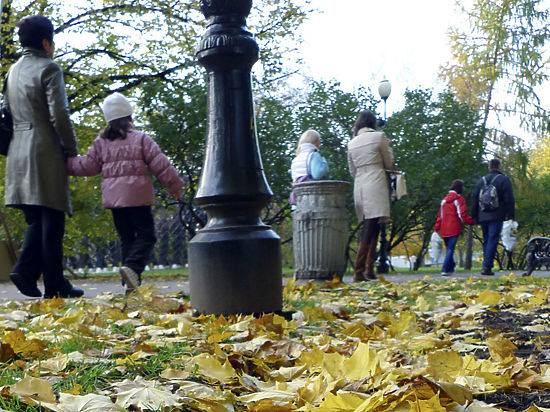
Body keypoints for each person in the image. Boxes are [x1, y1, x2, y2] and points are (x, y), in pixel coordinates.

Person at [67, 92, 185, 292]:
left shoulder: (100, 143)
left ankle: (131, 282)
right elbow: (160, 164)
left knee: (127, 238)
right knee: (147, 236)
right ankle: (132, 269)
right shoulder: (140, 139)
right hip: (138, 198)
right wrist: (174, 186)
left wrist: (64, 163)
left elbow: (87, 166)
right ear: (129, 116)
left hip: (115, 201)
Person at [4, 16, 83, 299]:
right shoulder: (49, 68)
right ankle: (49, 282)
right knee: (52, 220)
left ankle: (36, 275)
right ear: (46, 42)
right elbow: (59, 114)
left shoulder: (12, 71)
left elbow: (7, 110)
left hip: (18, 151)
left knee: (37, 220)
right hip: (44, 150)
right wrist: (71, 149)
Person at [348, 110, 394, 282]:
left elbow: (352, 170)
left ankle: (368, 269)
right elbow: (389, 163)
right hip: (376, 181)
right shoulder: (379, 137)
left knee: (371, 224)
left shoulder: (351, 143)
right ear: (373, 122)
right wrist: (389, 147)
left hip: (359, 184)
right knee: (370, 226)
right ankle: (359, 271)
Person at [471, 158, 515, 276]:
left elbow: (475, 198)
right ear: (499, 167)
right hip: (497, 214)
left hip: (482, 214)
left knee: (486, 240)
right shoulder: (504, 180)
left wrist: (474, 216)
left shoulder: (481, 181)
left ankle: (486, 264)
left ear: (489, 167)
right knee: (492, 239)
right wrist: (510, 216)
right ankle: (486, 266)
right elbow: (509, 199)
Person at [433, 179, 475, 276]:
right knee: (450, 249)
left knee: (449, 248)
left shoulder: (444, 200)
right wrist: (471, 221)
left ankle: (451, 268)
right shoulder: (459, 200)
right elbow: (462, 214)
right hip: (454, 227)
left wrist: (437, 227)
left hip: (444, 228)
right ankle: (444, 269)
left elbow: (440, 216)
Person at [289, 129, 329, 206]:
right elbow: (317, 174)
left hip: (297, 196)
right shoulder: (313, 155)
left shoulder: (296, 159)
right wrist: (324, 162)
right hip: (310, 197)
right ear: (316, 142)